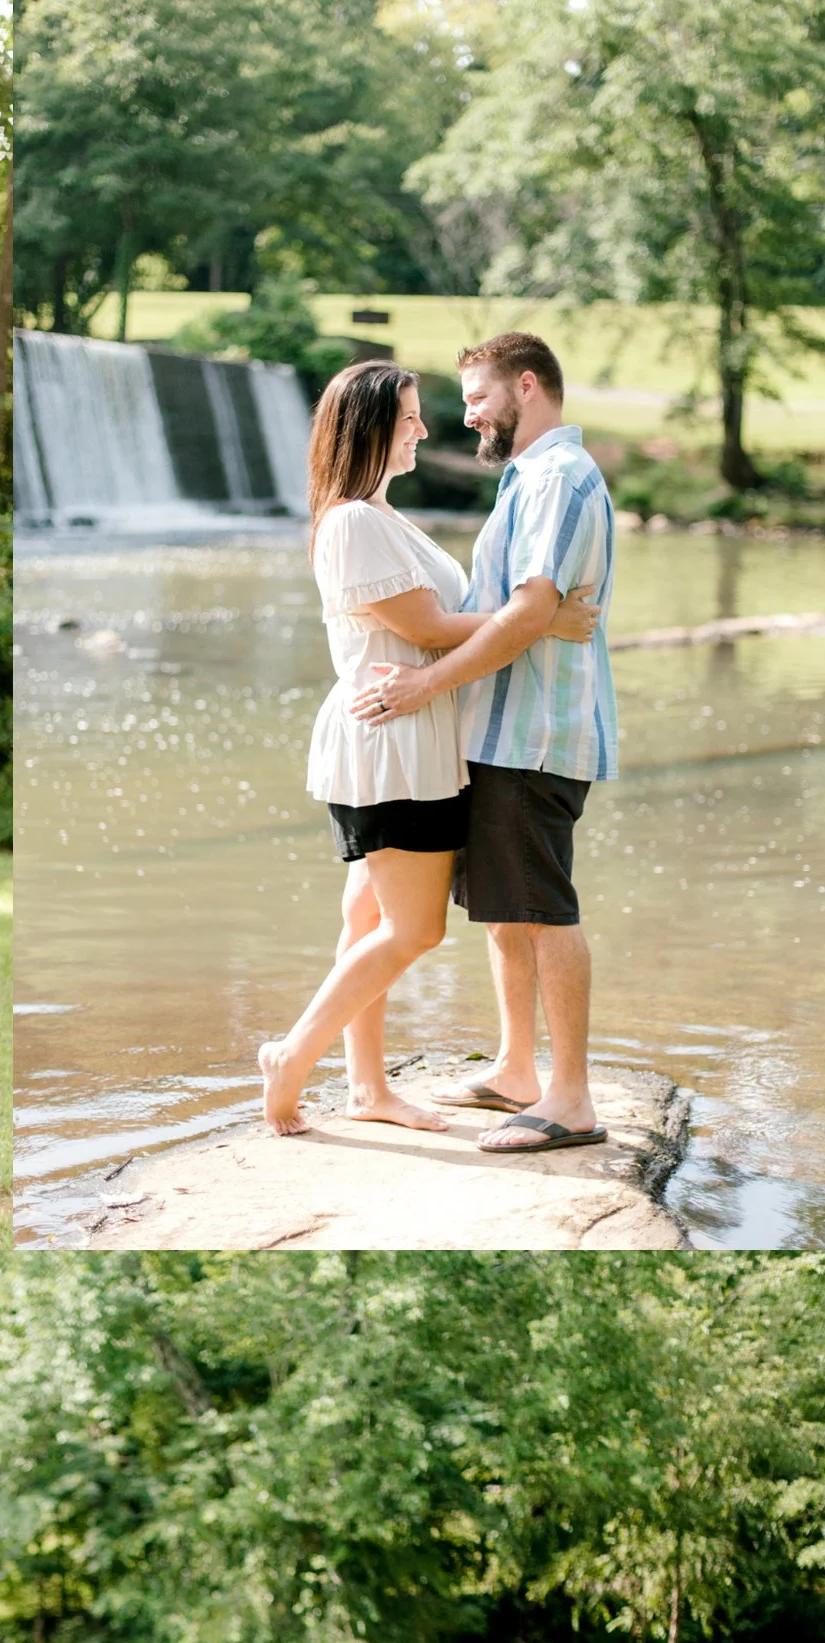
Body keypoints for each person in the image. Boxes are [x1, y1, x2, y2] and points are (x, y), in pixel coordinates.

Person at [257, 361, 597, 1136]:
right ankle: (293, 1056)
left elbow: (439, 621)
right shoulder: (353, 521)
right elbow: (429, 628)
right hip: (392, 741)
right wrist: (542, 620)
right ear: (370, 426)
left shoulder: (381, 516)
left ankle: (366, 1089)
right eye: (408, 417)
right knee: (414, 930)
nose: (422, 429)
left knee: (368, 917)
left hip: (406, 734)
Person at [351, 332, 618, 1154]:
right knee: (506, 910)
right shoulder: (528, 478)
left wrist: (426, 685)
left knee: (541, 909)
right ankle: (515, 1070)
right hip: (501, 730)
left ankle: (570, 1099)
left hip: (534, 733)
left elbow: (531, 611)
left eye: (476, 398)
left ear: (525, 386)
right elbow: (518, 610)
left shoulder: (559, 478)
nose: (465, 416)